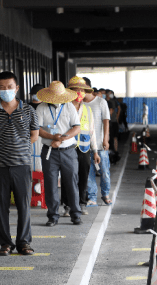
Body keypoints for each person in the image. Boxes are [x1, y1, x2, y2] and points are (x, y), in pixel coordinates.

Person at [0, 71, 39, 257]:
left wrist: (20, 148)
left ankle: (24, 242)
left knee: (23, 205)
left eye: (9, 87)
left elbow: (34, 135)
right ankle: (5, 244)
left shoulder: (28, 110)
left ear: (17, 88)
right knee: (1, 207)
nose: (6, 90)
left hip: (22, 165)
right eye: (1, 87)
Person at [35, 81, 82, 226]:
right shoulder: (41, 107)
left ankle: (75, 214)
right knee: (50, 184)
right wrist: (52, 137)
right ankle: (53, 216)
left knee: (71, 182)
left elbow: (76, 127)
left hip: (68, 150)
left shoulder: (69, 106)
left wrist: (61, 139)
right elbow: (38, 129)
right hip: (49, 152)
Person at [60, 76, 101, 215]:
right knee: (68, 176)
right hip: (67, 148)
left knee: (83, 177)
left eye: (82, 90)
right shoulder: (63, 108)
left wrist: (95, 151)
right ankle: (67, 205)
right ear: (69, 92)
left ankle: (81, 203)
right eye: (76, 90)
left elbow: (92, 132)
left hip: (84, 149)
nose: (79, 93)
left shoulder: (88, 111)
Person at [83, 77, 112, 207]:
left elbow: (106, 121)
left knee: (104, 171)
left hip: (100, 144)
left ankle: (105, 194)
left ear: (87, 88)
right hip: (84, 145)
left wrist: (106, 139)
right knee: (89, 173)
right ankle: (92, 197)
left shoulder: (101, 102)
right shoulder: (79, 104)